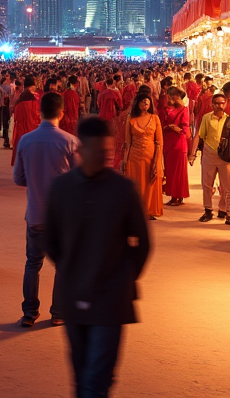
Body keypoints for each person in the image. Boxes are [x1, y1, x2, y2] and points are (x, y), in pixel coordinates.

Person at [45, 115, 151, 398]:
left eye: (107, 153)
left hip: (111, 299)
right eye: (97, 152)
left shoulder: (123, 188)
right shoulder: (62, 188)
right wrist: (72, 268)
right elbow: (51, 241)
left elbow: (143, 242)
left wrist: (125, 277)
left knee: (97, 379)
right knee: (81, 374)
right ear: (80, 150)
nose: (103, 158)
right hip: (74, 294)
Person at [12, 91, 79, 327]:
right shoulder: (69, 141)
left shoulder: (26, 140)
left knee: (32, 263)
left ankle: (29, 312)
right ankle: (58, 312)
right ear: (62, 112)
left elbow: (18, 178)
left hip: (36, 214)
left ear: (39, 112)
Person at [191, 93, 230, 225]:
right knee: (207, 185)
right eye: (217, 103)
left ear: (226, 104)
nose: (220, 106)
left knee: (229, 187)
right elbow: (201, 136)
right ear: (212, 105)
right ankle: (208, 210)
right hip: (209, 154)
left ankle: (228, 213)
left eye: (222, 103)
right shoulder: (207, 118)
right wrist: (193, 153)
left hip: (226, 157)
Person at [159, 87, 190, 207]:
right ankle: (173, 195)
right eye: (171, 95)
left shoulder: (183, 109)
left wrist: (177, 128)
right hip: (168, 141)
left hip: (179, 143)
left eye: (175, 95)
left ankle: (178, 195)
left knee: (179, 171)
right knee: (170, 171)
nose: (173, 98)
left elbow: (185, 128)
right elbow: (161, 124)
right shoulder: (165, 109)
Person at [10, 77, 41, 164]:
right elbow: (37, 115)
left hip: (20, 129)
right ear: (32, 85)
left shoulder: (20, 98)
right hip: (32, 128)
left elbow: (16, 116)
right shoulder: (35, 98)